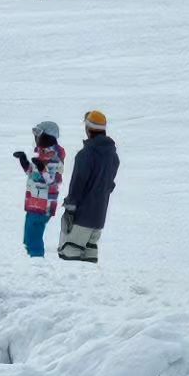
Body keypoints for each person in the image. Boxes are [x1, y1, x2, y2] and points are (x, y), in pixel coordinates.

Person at [59, 110, 119, 262]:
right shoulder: (113, 156)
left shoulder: (86, 155)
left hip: (81, 219)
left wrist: (70, 210)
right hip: (98, 219)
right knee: (88, 267)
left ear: (88, 129)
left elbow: (77, 185)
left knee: (70, 259)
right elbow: (109, 185)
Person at [13, 119, 65, 257]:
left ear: (47, 136)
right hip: (34, 203)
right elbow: (33, 175)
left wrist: (42, 168)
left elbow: (53, 182)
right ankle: (32, 262)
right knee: (28, 239)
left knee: (33, 239)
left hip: (43, 205)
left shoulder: (55, 157)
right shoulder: (43, 153)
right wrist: (24, 161)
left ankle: (37, 266)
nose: (35, 138)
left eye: (38, 134)